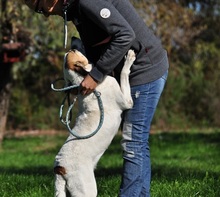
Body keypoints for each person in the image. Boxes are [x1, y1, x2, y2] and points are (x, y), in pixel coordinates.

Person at [24, 0, 169, 196]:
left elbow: (125, 35)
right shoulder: (74, 8)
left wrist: (96, 74)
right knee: (136, 143)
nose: (46, 15)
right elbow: (97, 45)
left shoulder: (85, 2)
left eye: (40, 9)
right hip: (128, 73)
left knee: (133, 143)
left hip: (144, 70)